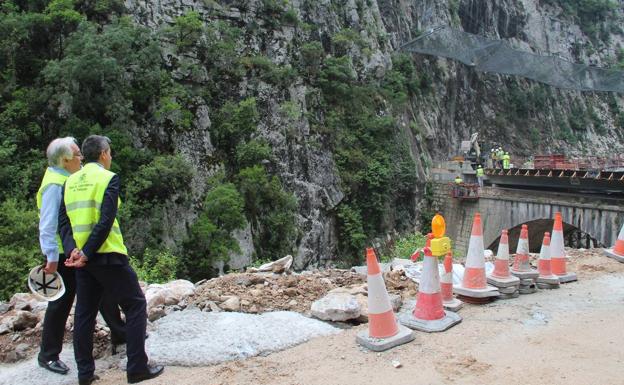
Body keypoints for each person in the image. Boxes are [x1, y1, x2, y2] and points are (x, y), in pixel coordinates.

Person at [59, 135, 163, 384]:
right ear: (104, 154)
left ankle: (85, 374)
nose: (111, 157)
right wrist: (87, 253)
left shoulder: (69, 182)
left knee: (84, 314)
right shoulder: (108, 178)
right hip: (108, 256)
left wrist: (74, 250)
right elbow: (106, 221)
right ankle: (137, 367)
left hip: (82, 261)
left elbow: (63, 223)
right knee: (136, 305)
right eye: (110, 152)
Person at [36, 137, 126, 376]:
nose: (81, 159)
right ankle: (48, 355)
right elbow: (48, 224)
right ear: (65, 160)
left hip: (79, 249)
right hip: (64, 252)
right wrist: (51, 257)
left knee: (102, 290)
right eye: (77, 156)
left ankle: (119, 332)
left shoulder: (68, 179)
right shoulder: (55, 184)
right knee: (61, 302)